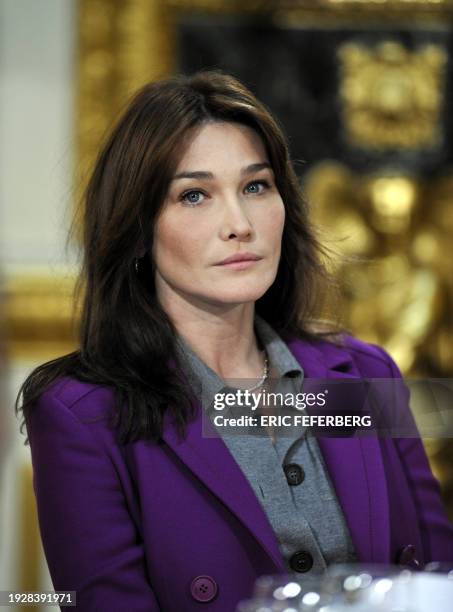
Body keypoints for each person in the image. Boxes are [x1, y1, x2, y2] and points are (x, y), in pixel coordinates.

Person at [16, 69, 453, 611]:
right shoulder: (82, 412)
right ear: (137, 230)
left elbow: (439, 580)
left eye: (255, 186)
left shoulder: (365, 374)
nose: (240, 223)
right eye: (194, 195)